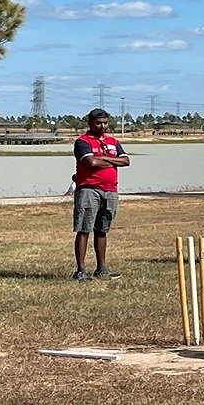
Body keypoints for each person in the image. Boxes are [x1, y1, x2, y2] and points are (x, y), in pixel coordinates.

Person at [71, 108, 130, 281]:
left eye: (105, 123)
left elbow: (126, 161)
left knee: (102, 230)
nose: (102, 126)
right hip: (89, 189)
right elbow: (91, 162)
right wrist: (113, 161)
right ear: (90, 123)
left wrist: (103, 159)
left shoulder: (113, 141)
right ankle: (81, 270)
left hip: (110, 190)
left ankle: (101, 268)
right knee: (84, 229)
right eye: (98, 123)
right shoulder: (83, 142)